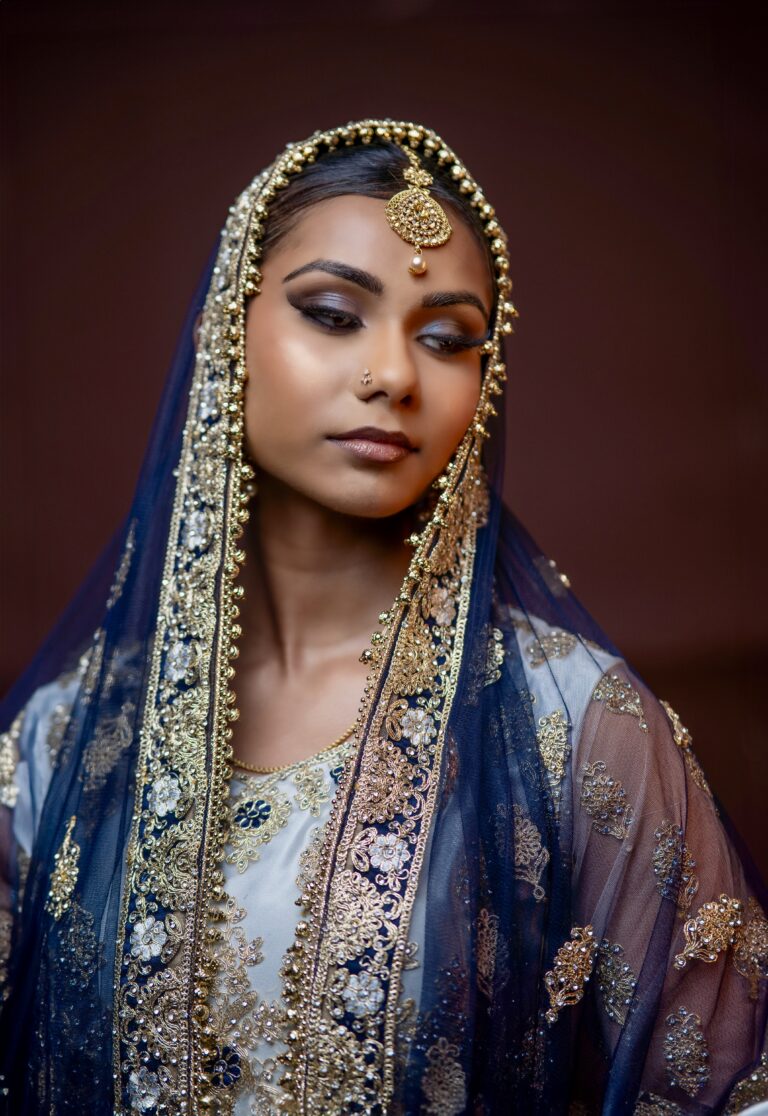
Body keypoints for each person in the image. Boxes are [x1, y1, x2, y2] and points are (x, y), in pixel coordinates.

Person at [0, 118, 765, 1116]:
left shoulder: (572, 721)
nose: (395, 377)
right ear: (225, 329)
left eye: (447, 339)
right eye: (331, 313)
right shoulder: (66, 743)